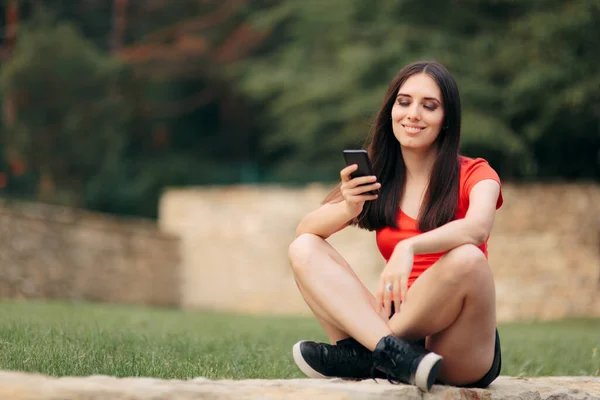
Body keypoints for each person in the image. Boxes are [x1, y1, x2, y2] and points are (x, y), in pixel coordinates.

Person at [287, 60, 503, 392]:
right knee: (303, 247)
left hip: (456, 346)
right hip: (390, 322)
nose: (413, 114)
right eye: (404, 102)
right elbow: (306, 230)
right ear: (391, 110)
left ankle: (365, 355)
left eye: (429, 106)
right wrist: (349, 205)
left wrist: (410, 246)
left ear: (446, 120)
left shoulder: (476, 174)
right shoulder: (379, 177)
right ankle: (392, 356)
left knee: (468, 258)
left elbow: (477, 230)